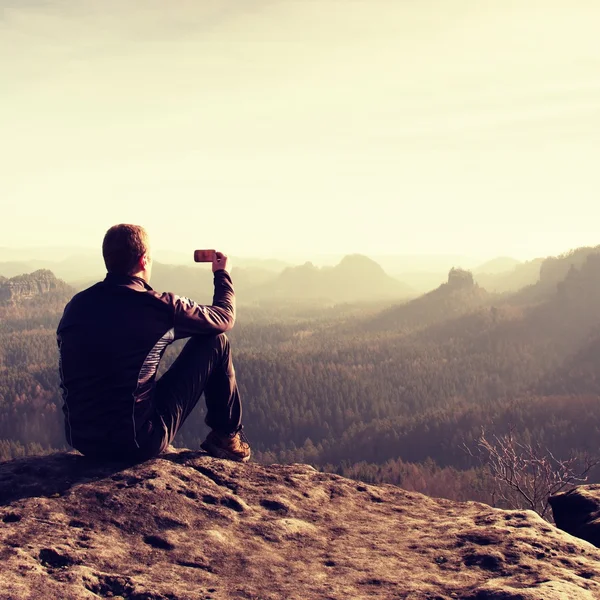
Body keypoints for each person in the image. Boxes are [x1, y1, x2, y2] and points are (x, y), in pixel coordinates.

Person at [56, 223, 250, 463]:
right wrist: (222, 274)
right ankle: (226, 437)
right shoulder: (158, 306)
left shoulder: (76, 305)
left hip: (81, 438)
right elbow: (224, 318)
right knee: (216, 342)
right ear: (143, 260)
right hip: (137, 442)